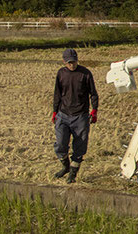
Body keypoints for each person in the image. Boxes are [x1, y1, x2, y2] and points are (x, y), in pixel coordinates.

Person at [52, 48, 99, 183]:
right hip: (63, 114)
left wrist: (94, 110)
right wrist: (55, 111)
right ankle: (65, 166)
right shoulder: (61, 73)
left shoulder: (85, 74)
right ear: (64, 62)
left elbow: (93, 93)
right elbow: (57, 93)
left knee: (80, 146)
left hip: (80, 116)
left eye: (74, 62)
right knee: (60, 144)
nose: (72, 65)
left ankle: (73, 173)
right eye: (69, 63)